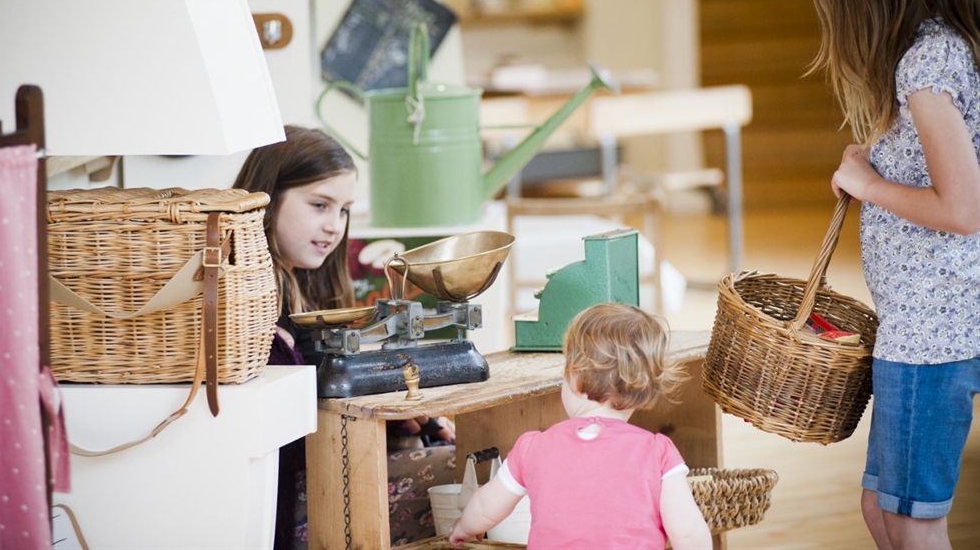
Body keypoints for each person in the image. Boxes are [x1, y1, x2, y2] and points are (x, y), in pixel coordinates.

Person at [801, 0, 980, 550]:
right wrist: (874, 167)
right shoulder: (938, 49)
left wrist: (869, 185)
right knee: (882, 508)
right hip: (920, 326)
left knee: (911, 520)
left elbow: (962, 207)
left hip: (932, 336)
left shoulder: (923, 66)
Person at [234, 125, 454, 549]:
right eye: (320, 205)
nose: (335, 226)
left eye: (344, 210)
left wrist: (396, 420)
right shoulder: (247, 306)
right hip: (285, 503)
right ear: (266, 199)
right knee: (460, 468)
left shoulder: (304, 286)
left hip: (315, 476)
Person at [448, 303, 712, 549]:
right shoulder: (657, 452)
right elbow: (688, 532)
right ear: (643, 389)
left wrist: (464, 527)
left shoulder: (533, 447)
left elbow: (484, 507)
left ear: (573, 377)